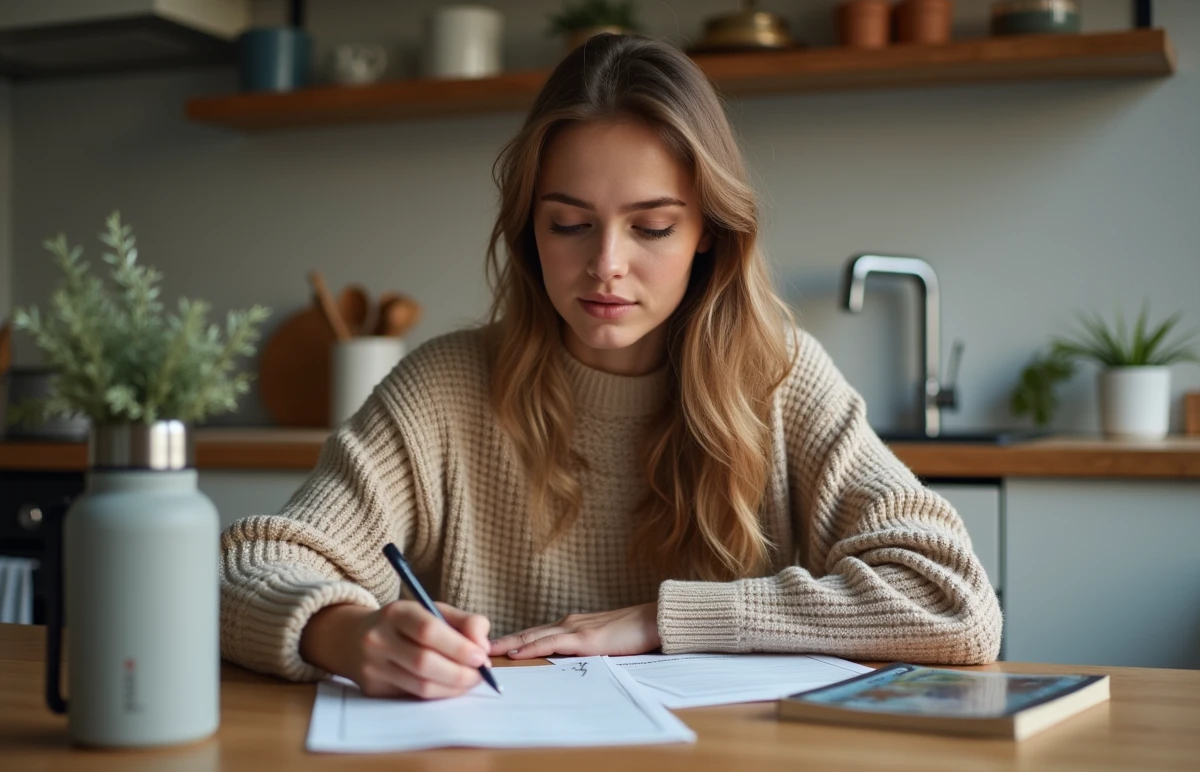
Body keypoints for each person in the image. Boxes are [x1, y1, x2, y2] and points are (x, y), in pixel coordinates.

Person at [219, 35, 1002, 700]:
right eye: (570, 223)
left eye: (652, 227)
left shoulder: (781, 380)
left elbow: (956, 604)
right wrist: (345, 632)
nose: (605, 266)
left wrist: (662, 620)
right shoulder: (443, 389)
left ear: (708, 233)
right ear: (530, 228)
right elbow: (244, 569)